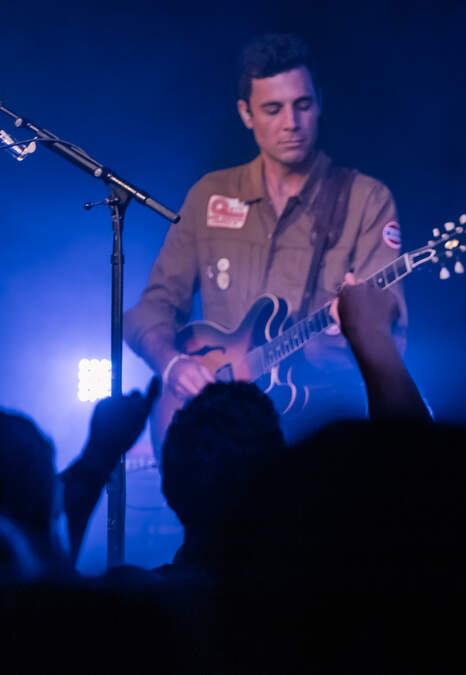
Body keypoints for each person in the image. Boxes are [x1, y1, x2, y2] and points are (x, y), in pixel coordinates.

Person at [124, 33, 407, 442]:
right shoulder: (211, 195)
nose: (291, 123)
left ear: (319, 102)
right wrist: (172, 364)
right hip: (227, 435)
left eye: (302, 105)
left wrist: (351, 330)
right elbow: (150, 310)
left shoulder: (366, 199)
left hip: (325, 431)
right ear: (246, 113)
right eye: (273, 109)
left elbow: (392, 333)